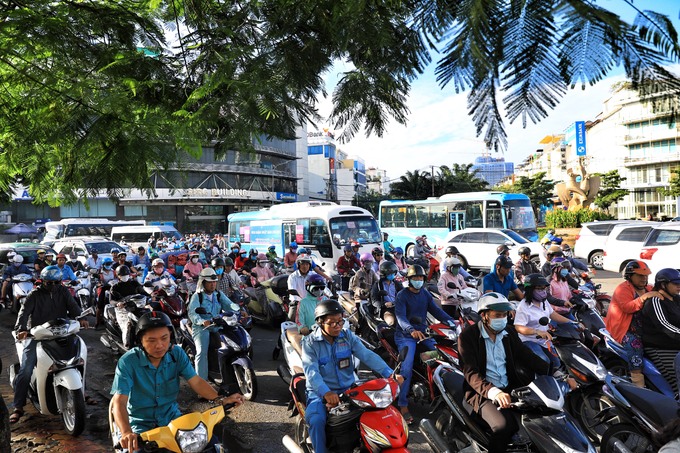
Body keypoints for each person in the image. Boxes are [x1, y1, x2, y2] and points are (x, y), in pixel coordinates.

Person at [110, 311, 244, 451]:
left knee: (212, 446)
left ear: (171, 337)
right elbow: (119, 401)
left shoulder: (177, 354)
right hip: (139, 426)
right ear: (140, 341)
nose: (159, 345)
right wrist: (126, 432)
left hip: (172, 420)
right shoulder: (128, 362)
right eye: (151, 340)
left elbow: (196, 381)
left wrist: (220, 400)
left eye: (164, 338)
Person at [301, 300, 404, 453]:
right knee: (316, 420)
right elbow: (311, 372)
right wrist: (326, 393)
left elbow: (367, 355)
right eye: (332, 323)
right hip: (320, 394)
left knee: (378, 414)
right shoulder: (310, 343)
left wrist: (390, 374)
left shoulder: (347, 336)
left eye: (340, 321)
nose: (338, 326)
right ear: (320, 323)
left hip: (350, 391)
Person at [458, 292, 550, 453]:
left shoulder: (509, 333)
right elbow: (471, 372)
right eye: (497, 315)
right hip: (482, 393)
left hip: (511, 388)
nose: (502, 318)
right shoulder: (468, 337)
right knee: (504, 427)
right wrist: (493, 392)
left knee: (542, 416)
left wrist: (557, 372)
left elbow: (526, 356)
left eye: (505, 314)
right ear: (484, 316)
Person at [10, 265, 87, 423]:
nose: (53, 286)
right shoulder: (34, 295)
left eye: (56, 283)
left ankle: (81, 391)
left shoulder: (63, 291)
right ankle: (18, 406)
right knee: (26, 370)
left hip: (62, 332)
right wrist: (21, 329)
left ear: (60, 282)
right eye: (49, 283)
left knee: (78, 360)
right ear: (42, 281)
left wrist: (81, 317)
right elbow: (23, 313)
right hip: (37, 336)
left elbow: (73, 307)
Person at [394, 264, 454, 423]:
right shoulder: (402, 295)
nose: (418, 280)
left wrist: (451, 321)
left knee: (443, 356)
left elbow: (436, 311)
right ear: (409, 280)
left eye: (421, 278)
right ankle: (403, 404)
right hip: (405, 336)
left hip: (424, 334)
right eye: (415, 278)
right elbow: (400, 317)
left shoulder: (425, 295)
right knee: (406, 368)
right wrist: (410, 329)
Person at [513, 273, 582, 379]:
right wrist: (536, 332)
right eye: (539, 289)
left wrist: (573, 323)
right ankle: (542, 382)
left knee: (556, 362)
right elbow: (518, 327)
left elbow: (553, 314)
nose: (542, 291)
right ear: (530, 289)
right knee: (543, 361)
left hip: (545, 340)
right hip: (529, 341)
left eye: (544, 288)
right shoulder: (523, 307)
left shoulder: (543, 302)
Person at [605, 260, 658, 387]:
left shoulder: (648, 288)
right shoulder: (622, 289)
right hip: (626, 330)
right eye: (640, 276)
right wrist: (644, 297)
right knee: (635, 347)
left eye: (645, 276)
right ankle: (638, 384)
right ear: (630, 276)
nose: (644, 279)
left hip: (644, 328)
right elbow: (627, 307)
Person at [186, 268, 239, 383]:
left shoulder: (218, 294)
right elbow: (192, 313)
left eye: (214, 282)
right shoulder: (197, 296)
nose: (212, 284)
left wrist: (240, 309)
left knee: (231, 346)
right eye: (210, 282)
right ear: (203, 283)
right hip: (202, 328)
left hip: (217, 325)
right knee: (201, 352)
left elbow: (229, 305)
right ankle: (201, 384)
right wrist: (202, 321)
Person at [641, 268, 680, 387]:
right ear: (663, 284)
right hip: (660, 347)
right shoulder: (655, 301)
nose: (679, 286)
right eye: (676, 284)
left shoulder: (676, 299)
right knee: (676, 382)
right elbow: (664, 325)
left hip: (675, 344)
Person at [287, 274, 327, 356]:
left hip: (328, 335)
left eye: (322, 288)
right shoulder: (303, 303)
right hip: (310, 337)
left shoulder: (326, 300)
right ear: (308, 287)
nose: (319, 290)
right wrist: (303, 328)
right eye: (316, 288)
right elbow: (299, 321)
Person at [370, 260, 403, 326]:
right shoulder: (377, 285)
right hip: (386, 310)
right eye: (390, 274)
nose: (392, 275)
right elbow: (374, 300)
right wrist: (383, 305)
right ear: (384, 274)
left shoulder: (397, 284)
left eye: (393, 273)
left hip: (398, 307)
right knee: (391, 321)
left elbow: (404, 294)